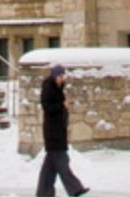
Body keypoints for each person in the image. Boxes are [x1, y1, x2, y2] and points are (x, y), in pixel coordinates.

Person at [35, 63, 88, 197]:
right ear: (53, 76)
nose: (61, 78)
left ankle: (43, 192)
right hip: (53, 133)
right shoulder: (48, 89)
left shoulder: (58, 89)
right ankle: (75, 189)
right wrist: (62, 105)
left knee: (50, 167)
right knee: (62, 161)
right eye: (59, 75)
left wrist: (64, 106)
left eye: (62, 75)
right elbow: (48, 107)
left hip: (59, 131)